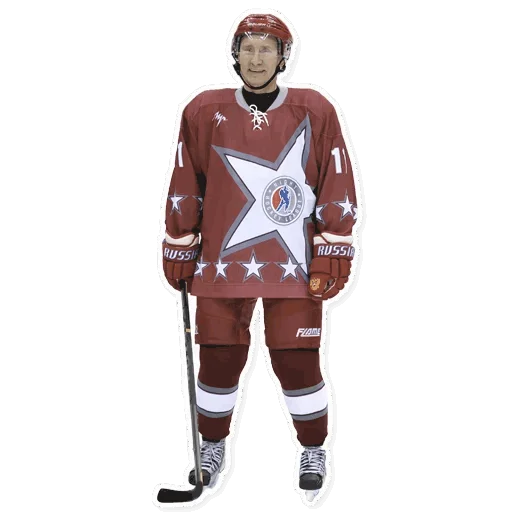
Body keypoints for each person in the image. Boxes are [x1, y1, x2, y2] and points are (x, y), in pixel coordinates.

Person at [160, 8, 361, 506]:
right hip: (220, 262)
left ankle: (313, 450)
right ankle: (211, 449)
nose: (256, 59)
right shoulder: (203, 110)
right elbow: (185, 180)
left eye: (266, 49)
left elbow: (336, 179)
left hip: (294, 264)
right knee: (218, 360)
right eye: (247, 48)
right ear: (234, 54)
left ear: (282, 56)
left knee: (297, 362)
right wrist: (179, 239)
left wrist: (333, 245)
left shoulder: (315, 108)